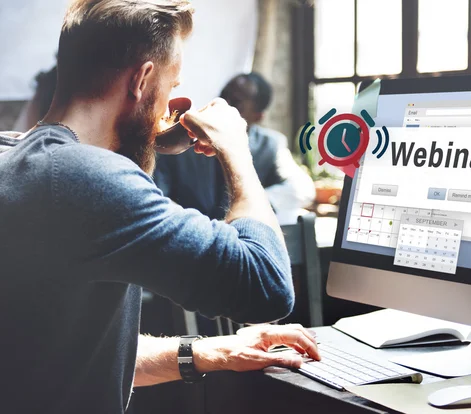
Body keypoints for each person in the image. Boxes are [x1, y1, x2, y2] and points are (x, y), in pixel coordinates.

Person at [0, 1, 319, 413]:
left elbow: (64, 354)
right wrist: (237, 151)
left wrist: (214, 351)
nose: (168, 105)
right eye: (171, 86)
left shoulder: (15, 156)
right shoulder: (87, 177)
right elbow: (268, 286)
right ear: (143, 79)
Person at [154, 72, 315, 223]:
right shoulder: (183, 139)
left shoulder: (270, 145)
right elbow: (157, 196)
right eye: (223, 95)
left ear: (258, 116)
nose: (224, 104)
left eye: (236, 102)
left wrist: (249, 204)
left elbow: (302, 189)